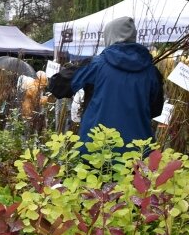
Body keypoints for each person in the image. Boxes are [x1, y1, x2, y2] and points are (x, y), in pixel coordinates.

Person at [70, 16, 164, 150]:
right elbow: (155, 110)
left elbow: (59, 87)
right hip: (138, 150)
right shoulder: (152, 72)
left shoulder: (95, 66)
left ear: (109, 36)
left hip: (96, 149)